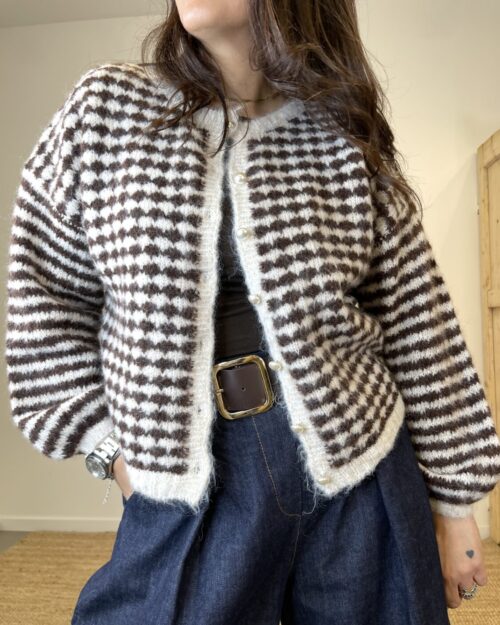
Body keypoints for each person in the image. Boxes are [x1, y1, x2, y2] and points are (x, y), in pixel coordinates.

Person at [5, 1, 500, 623]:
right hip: (190, 481)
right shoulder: (106, 109)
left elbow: (418, 321)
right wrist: (111, 451)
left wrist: (456, 505)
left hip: (359, 465)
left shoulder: (340, 131)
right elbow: (44, 303)